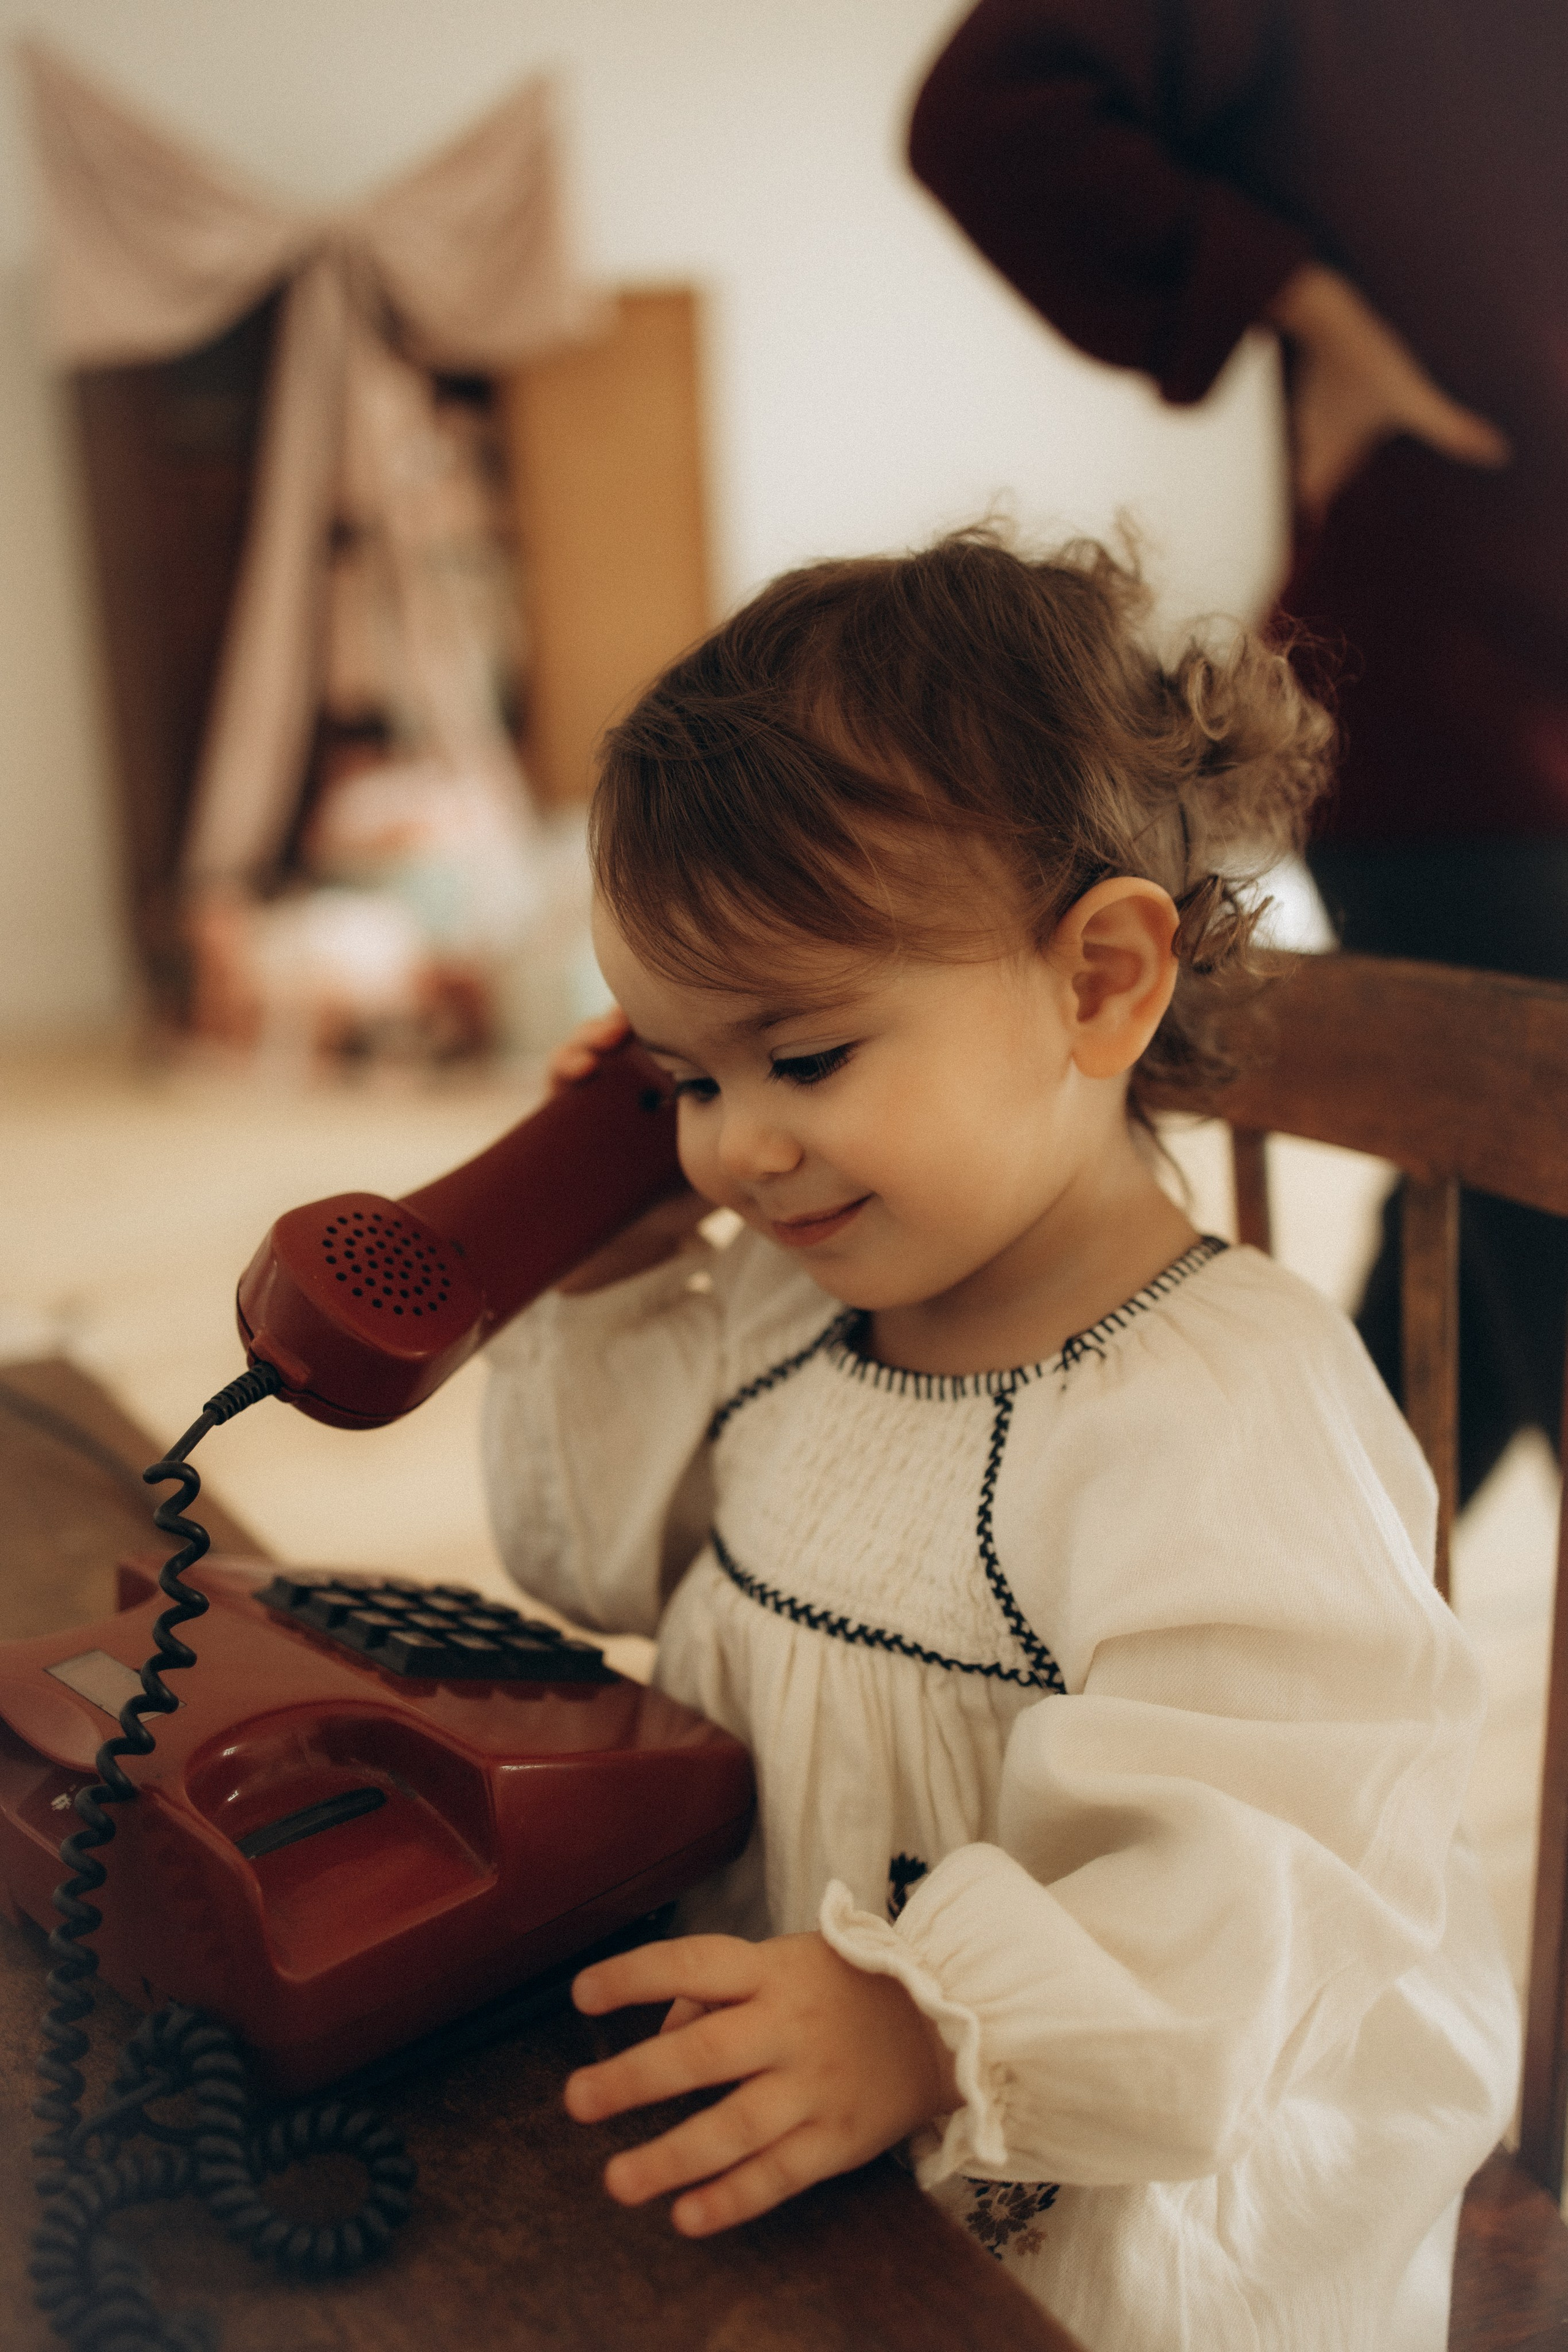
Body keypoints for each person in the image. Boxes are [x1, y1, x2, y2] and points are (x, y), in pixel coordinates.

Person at [481, 530, 1517, 2351]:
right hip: (784, 2149)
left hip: (1094, 2245)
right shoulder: (788, 1299)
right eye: (685, 1080)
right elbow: (594, 1557)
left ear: (1101, 983)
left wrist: (932, 2021)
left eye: (801, 1061)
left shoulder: (1222, 1418)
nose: (734, 1150)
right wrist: (608, 1269)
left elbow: (1273, 1873)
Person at [907, 0, 1568, 1502]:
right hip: (1459, 709)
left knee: (1475, 1209)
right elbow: (989, 108)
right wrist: (1304, 302)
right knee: (1527, 1193)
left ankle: (1304, 1572)